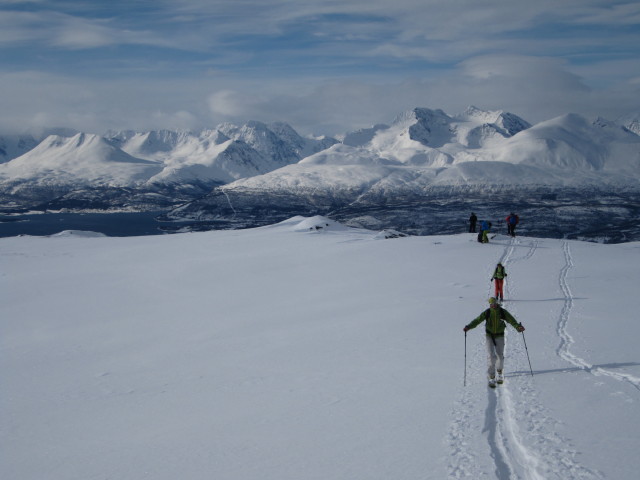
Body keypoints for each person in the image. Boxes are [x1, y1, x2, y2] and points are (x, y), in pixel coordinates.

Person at [463, 297, 525, 387]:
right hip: (489, 336)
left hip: (500, 336)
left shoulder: (502, 312)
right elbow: (477, 320)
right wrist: (468, 327)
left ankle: (499, 372)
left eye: (494, 304)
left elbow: (512, 320)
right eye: (491, 304)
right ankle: (491, 376)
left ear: (497, 303)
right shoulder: (487, 312)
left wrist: (518, 327)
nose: (493, 306)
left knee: (500, 356)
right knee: (491, 356)